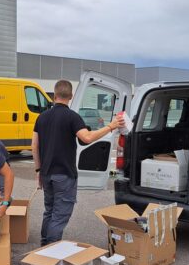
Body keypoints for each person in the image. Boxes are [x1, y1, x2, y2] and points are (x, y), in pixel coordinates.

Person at [32, 79, 125, 245]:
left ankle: (43, 246)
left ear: (54, 95)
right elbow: (87, 138)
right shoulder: (72, 117)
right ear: (71, 96)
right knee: (60, 215)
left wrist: (39, 171)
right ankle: (50, 250)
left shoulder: (42, 117)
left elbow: (34, 146)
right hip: (64, 175)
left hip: (46, 174)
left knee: (49, 211)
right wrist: (111, 127)